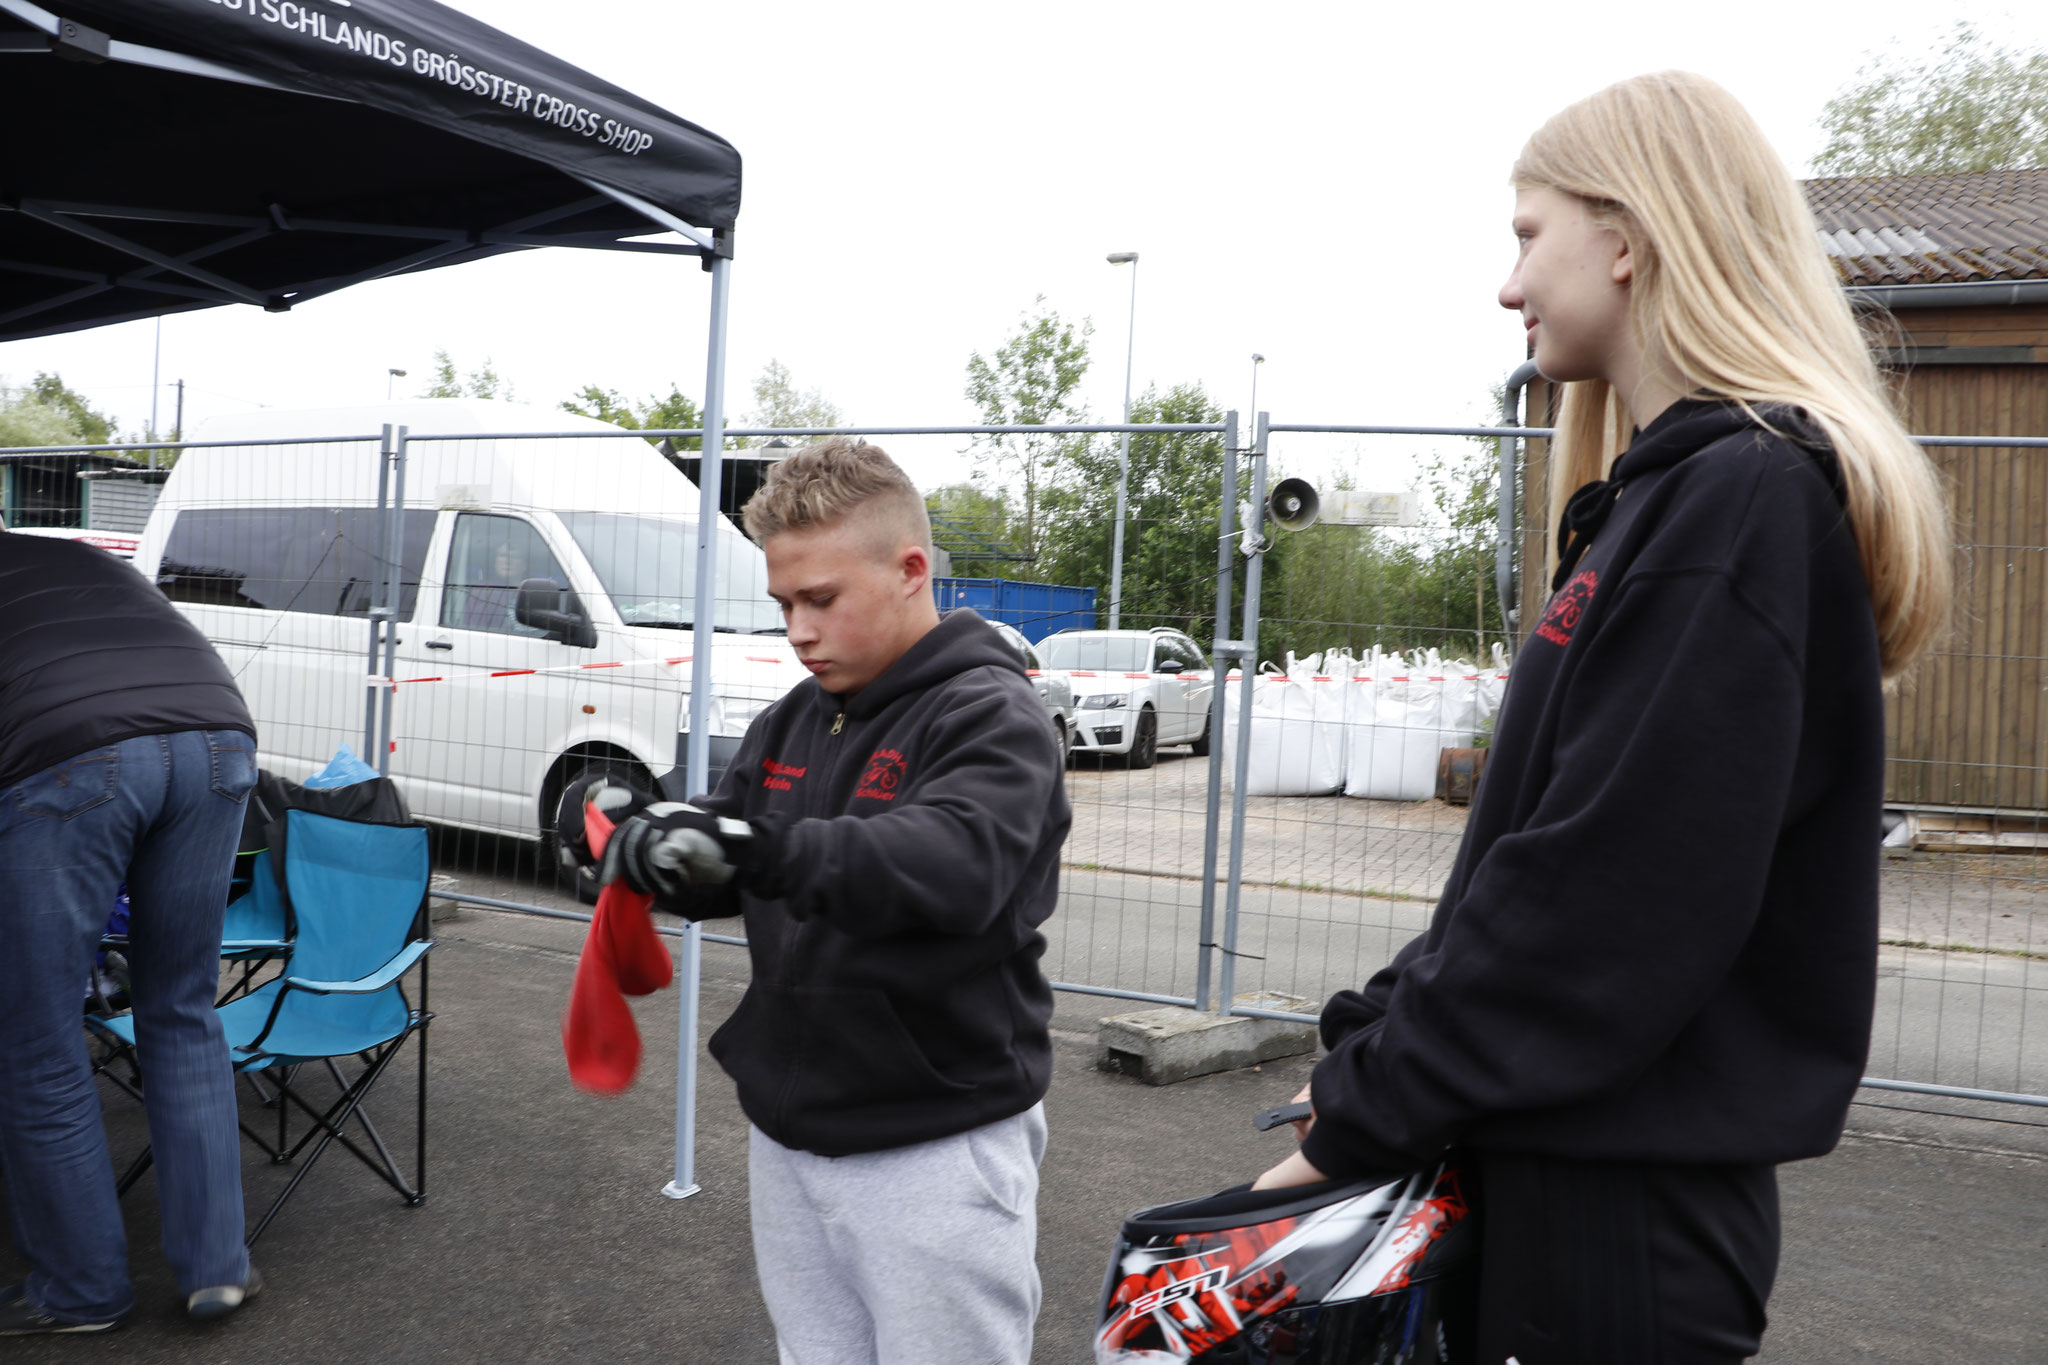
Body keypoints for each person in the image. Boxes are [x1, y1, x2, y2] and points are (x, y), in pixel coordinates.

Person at [1252, 71, 1952, 1364]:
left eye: (1528, 234)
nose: (1506, 287)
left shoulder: (1737, 503)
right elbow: (1521, 872)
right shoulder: (1666, 507)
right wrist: (1370, 1046)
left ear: (1626, 238)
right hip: (1555, 1184)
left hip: (1621, 1220)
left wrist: (1359, 1117)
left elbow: (1602, 906)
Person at [561, 436, 1071, 1364]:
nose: (798, 629)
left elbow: (953, 862)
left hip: (935, 1140)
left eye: (821, 600)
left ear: (911, 570)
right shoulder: (796, 713)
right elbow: (728, 844)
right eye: (784, 603)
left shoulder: (992, 712)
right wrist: (637, 837)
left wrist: (753, 846)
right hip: (791, 1137)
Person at [0, 527, 266, 1332]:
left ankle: (80, 1290)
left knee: (37, 1039)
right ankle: (216, 1267)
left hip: (73, 757)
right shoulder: (70, 555)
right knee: (181, 1009)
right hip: (219, 737)